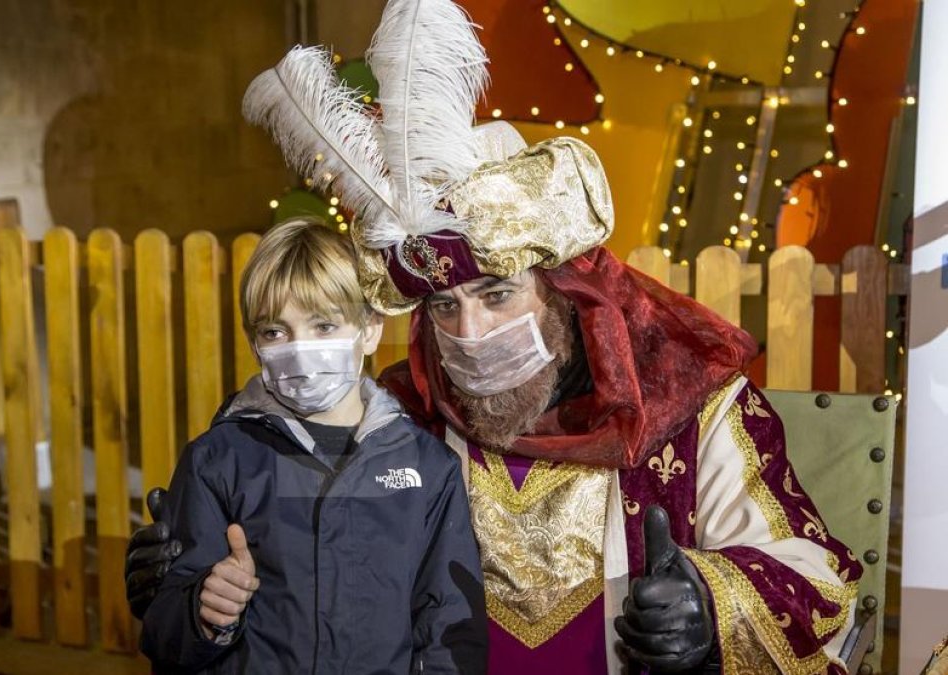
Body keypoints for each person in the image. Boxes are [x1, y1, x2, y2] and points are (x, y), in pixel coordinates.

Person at [129, 0, 862, 672]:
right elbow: (286, 530)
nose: (470, 333)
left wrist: (709, 604)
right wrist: (184, 576)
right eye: (443, 309)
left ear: (566, 289)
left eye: (497, 293)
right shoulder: (400, 415)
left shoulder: (692, 408)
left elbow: (824, 581)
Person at [135, 218, 487, 674]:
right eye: (275, 332)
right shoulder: (219, 461)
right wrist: (204, 612)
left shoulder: (426, 466)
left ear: (370, 329)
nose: (299, 350)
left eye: (323, 326)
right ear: (254, 342)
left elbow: (449, 629)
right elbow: (165, 635)